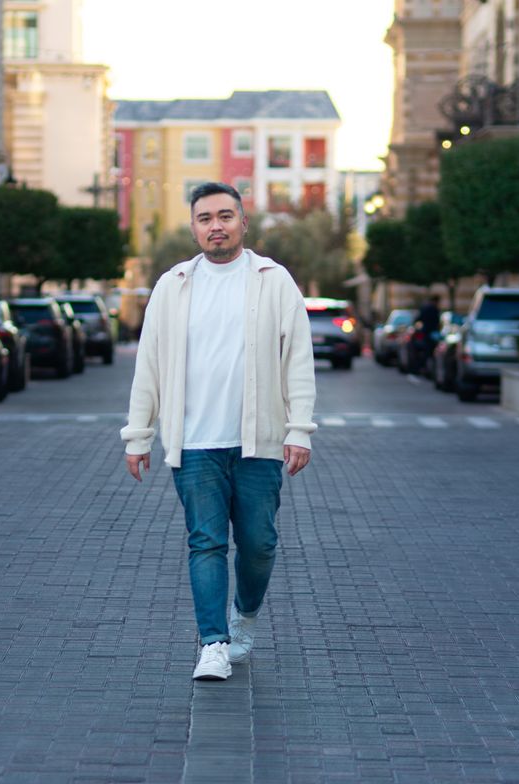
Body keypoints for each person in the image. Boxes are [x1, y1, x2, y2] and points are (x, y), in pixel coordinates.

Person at [120, 182, 316, 681]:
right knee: (205, 542)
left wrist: (300, 430)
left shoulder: (274, 280)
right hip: (195, 444)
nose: (216, 225)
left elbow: (298, 361)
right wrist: (138, 434)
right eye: (205, 217)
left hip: (260, 442)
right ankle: (213, 642)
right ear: (194, 227)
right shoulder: (173, 284)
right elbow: (150, 365)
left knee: (259, 544)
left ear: (243, 223)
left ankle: (244, 615)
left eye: (225, 216)